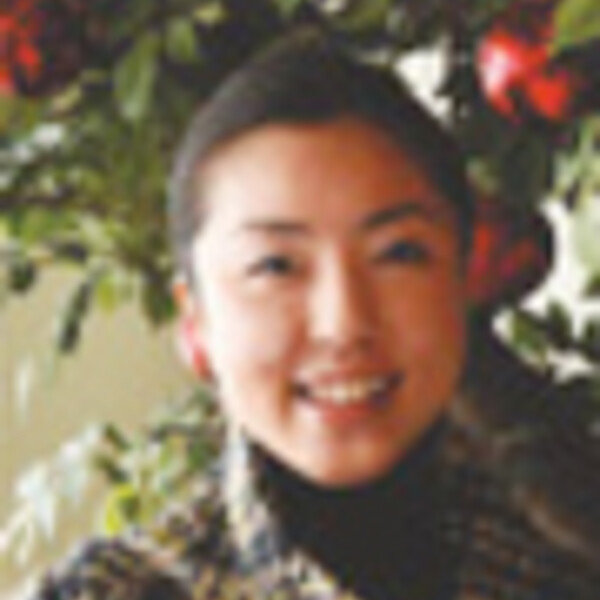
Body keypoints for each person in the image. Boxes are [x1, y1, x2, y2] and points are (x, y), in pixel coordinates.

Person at [29, 27, 599, 600]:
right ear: (197, 319)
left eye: (397, 254)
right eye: (275, 266)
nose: (344, 323)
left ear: (462, 280)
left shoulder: (566, 570)